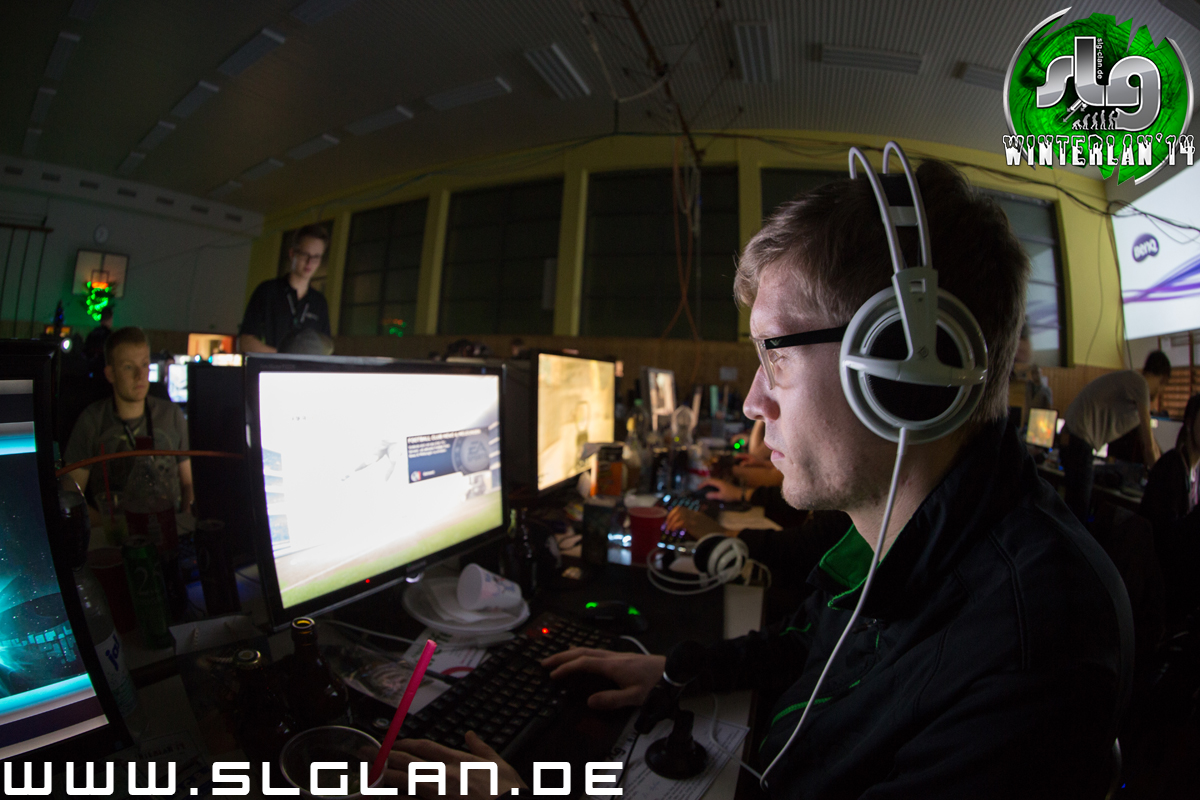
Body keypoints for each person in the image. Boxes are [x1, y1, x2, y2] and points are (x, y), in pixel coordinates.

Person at [520, 160, 1128, 798]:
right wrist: (676, 672)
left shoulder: (1031, 654)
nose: (754, 402)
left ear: (903, 367)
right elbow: (812, 642)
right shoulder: (902, 530)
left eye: (775, 354)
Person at [62, 327, 193, 513]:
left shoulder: (172, 415)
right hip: (114, 528)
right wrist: (107, 525)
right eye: (129, 367)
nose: (140, 375)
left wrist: (185, 521)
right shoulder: (92, 420)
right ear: (110, 374)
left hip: (170, 524)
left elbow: (189, 483)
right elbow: (71, 495)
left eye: (145, 364)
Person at [1061, 351, 1172, 521]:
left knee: (1073, 510)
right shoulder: (1141, 384)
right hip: (1079, 442)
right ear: (1163, 379)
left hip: (1070, 439)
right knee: (1078, 516)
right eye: (1164, 387)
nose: (1161, 392)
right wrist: (1163, 485)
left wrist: (1164, 464)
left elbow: (1149, 440)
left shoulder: (1133, 388)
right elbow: (1149, 446)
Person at [1139, 393, 1200, 614]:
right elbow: (1166, 538)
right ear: (1190, 423)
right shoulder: (1171, 467)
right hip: (1162, 579)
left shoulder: (1194, 471)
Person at [239, 224, 332, 353]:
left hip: (304, 367)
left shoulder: (319, 302)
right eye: (305, 254)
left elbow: (325, 348)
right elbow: (245, 342)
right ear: (292, 253)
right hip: (272, 365)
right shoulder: (267, 291)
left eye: (316, 257)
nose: (309, 262)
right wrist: (283, 357)